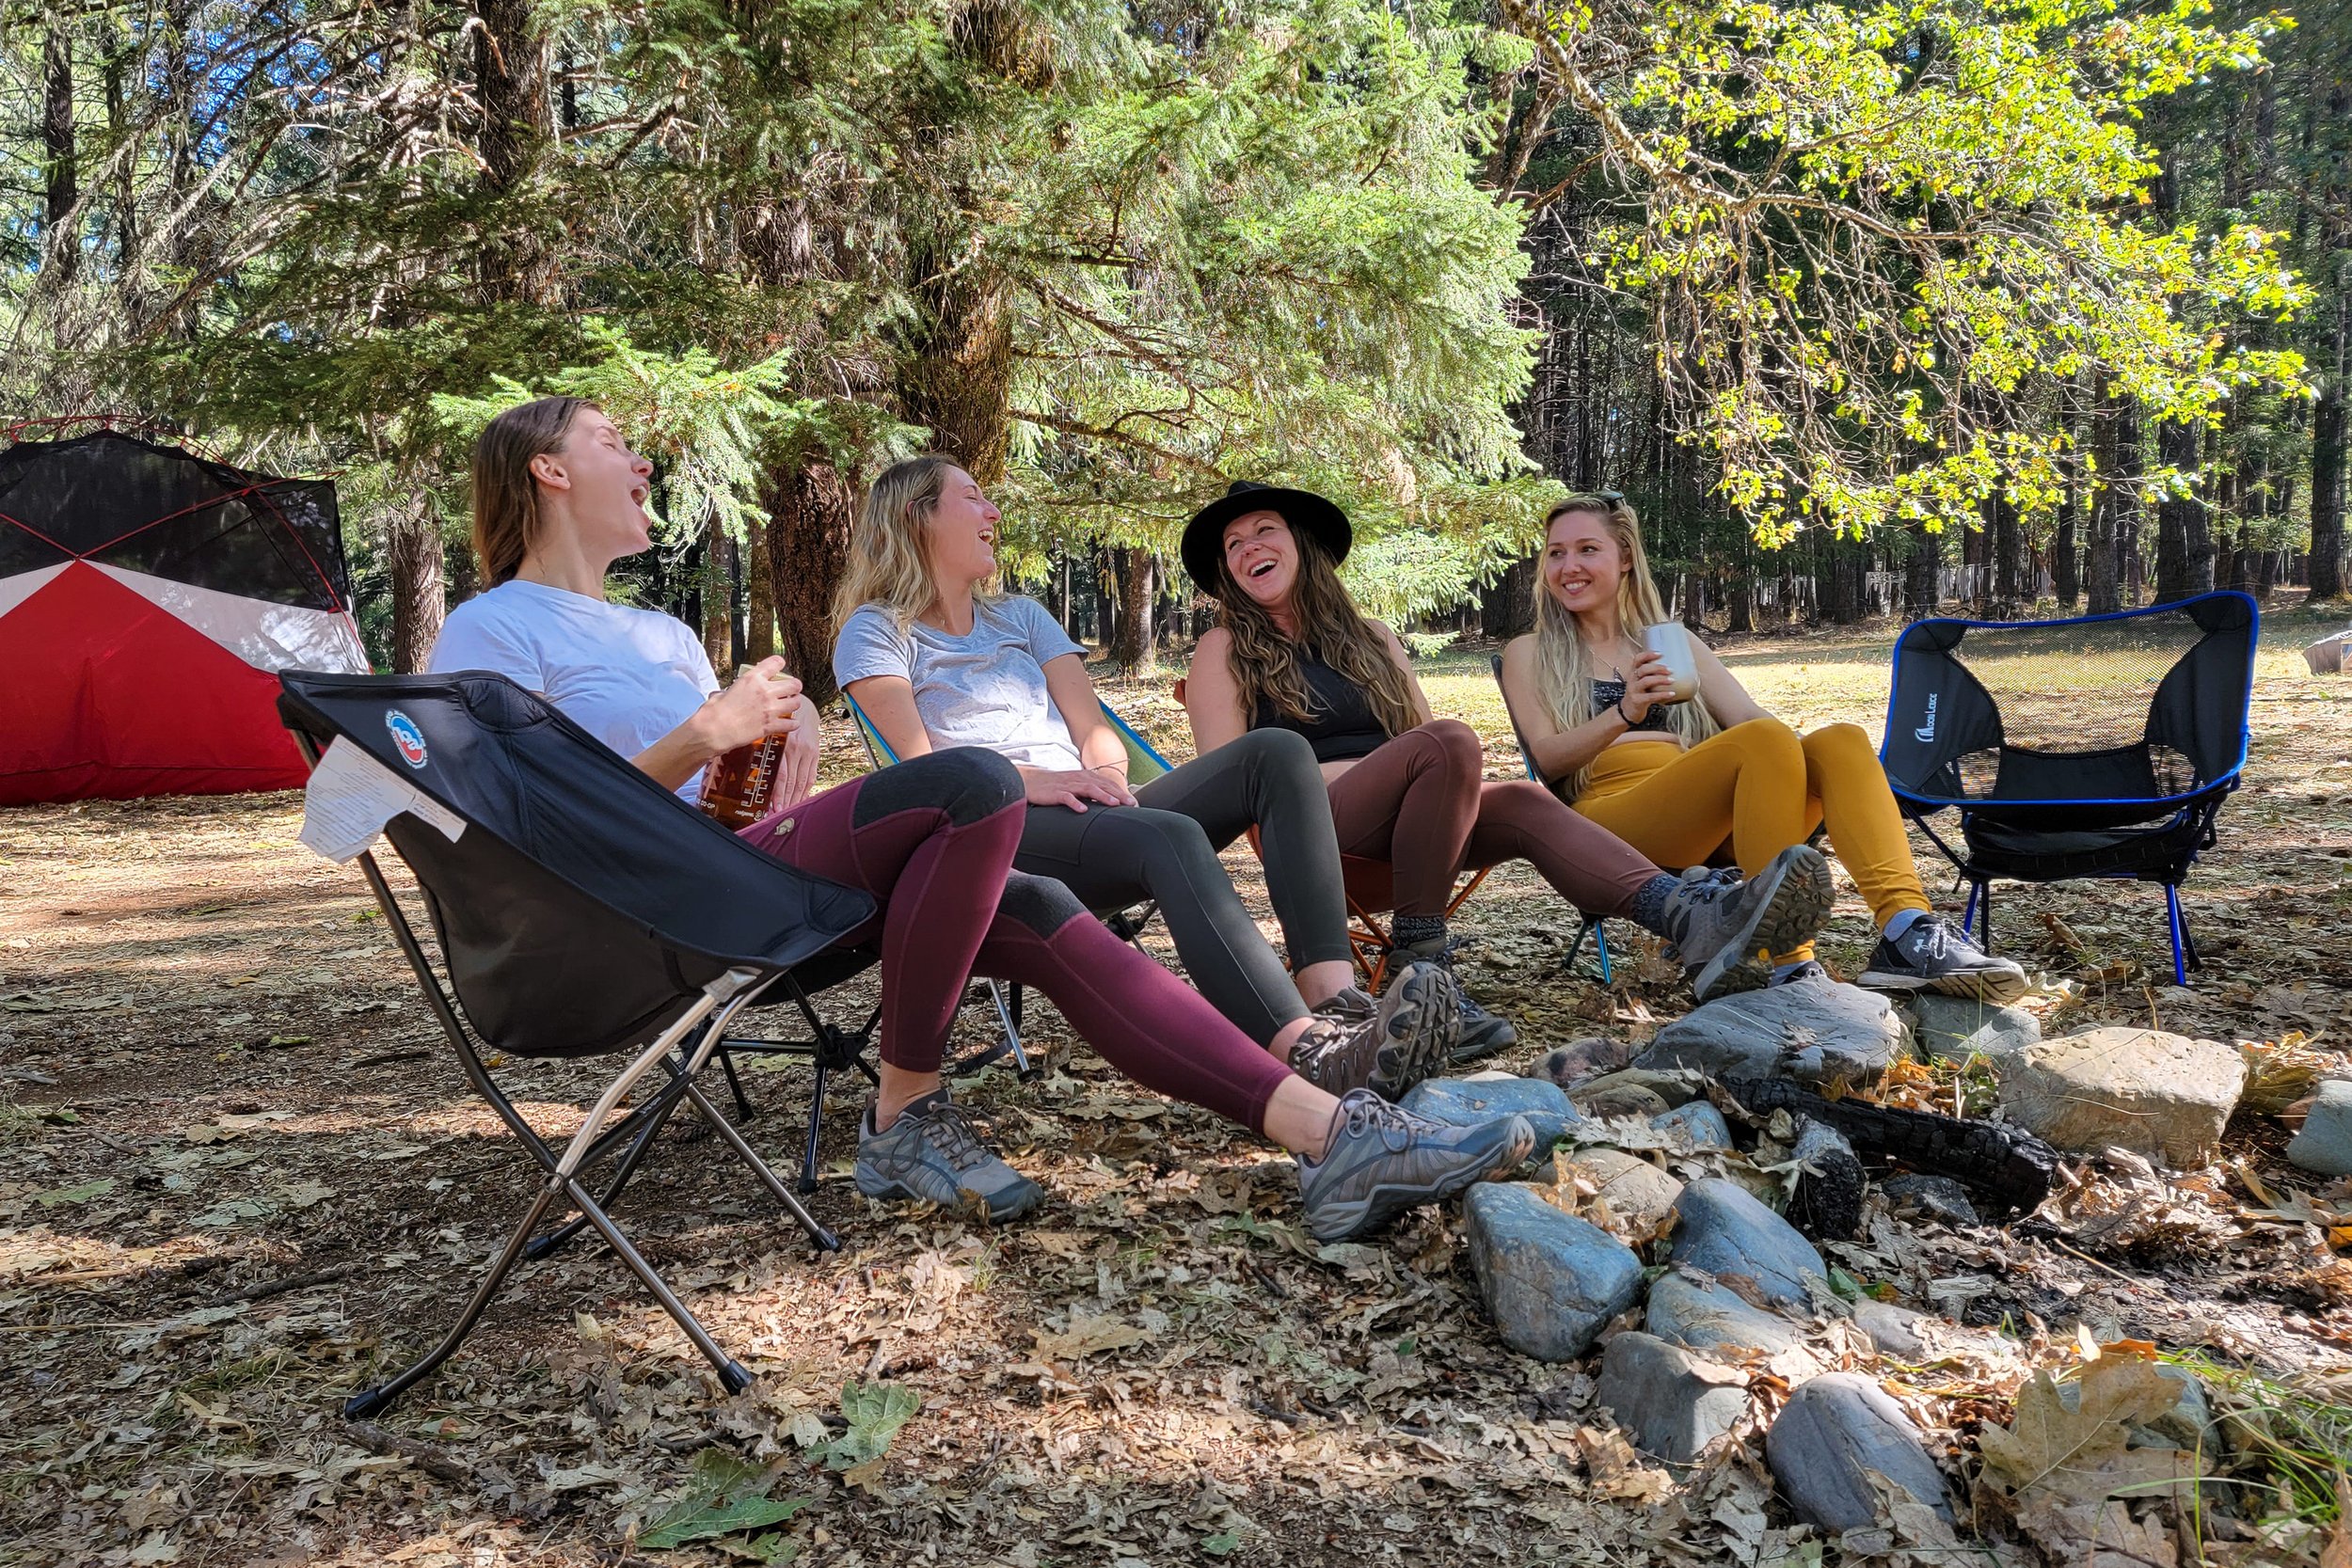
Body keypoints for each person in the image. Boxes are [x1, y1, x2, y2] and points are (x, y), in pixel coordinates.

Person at [426, 397, 1534, 1243]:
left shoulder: (661, 634)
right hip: (647, 910)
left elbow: (712, 803)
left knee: (1042, 901)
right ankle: (904, 1107)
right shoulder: (492, 629)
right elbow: (529, 820)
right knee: (976, 783)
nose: (644, 457)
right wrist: (702, 738)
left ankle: (1328, 1129)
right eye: (616, 439)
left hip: (744, 868)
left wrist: (770, 764)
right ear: (550, 467)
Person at [834, 455, 1464, 1105]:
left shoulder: (1021, 617)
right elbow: (918, 771)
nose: (993, 512)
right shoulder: (877, 631)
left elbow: (1093, 727)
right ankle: (1303, 1050)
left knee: (1273, 751)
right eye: (972, 499)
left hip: (1091, 810)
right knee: (1169, 836)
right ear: (917, 516)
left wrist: (1104, 777)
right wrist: (1030, 781)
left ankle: (1334, 1001)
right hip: (994, 830)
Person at [1179, 480, 1836, 1030]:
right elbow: (1235, 781)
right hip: (1314, 842)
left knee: (1518, 797)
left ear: (1303, 544)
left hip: (1412, 848)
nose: (1248, 549)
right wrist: (1355, 775)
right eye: (1233, 545)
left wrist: (1418, 772)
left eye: (1264, 531)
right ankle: (1422, 969)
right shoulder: (1223, 649)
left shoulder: (1374, 638)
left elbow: (1423, 751)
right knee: (1453, 741)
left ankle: (1690, 917)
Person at [1498, 491, 2027, 1001]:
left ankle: (1906, 931)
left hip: (1712, 817)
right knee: (1763, 741)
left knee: (1840, 741)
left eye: (1587, 549)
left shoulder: (1670, 641)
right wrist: (1626, 712)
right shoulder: (1531, 652)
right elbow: (1547, 759)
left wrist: (1814, 774)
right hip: (1612, 822)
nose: (1569, 566)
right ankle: (1787, 960)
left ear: (1626, 558)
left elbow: (1751, 718)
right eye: (1556, 553)